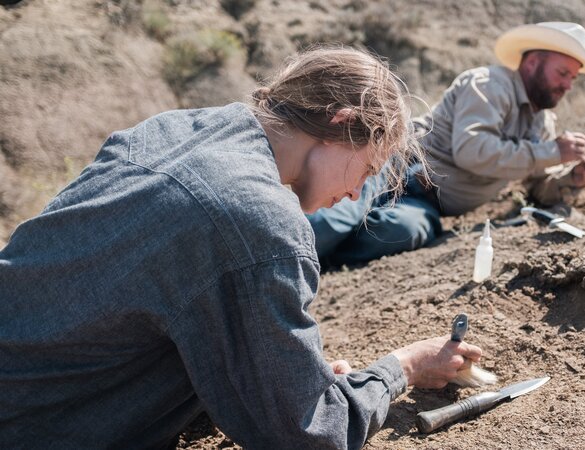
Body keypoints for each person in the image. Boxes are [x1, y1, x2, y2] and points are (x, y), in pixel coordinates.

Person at [0, 46, 484, 449]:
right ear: (343, 121)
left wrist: (281, 371)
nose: (358, 192)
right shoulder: (260, 222)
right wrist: (403, 368)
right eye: (367, 169)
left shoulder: (171, 129)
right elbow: (311, 434)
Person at [308, 22, 585, 265]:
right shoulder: (490, 84)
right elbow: (472, 152)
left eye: (573, 78)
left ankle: (313, 261)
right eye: (563, 73)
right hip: (394, 164)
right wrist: (552, 151)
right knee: (336, 221)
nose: (568, 85)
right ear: (532, 64)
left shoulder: (542, 124)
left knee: (401, 232)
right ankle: (291, 253)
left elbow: (538, 186)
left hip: (427, 202)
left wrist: (571, 178)